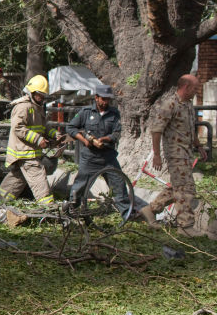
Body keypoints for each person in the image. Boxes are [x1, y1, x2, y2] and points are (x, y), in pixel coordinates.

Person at [139, 74, 209, 233]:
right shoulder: (170, 104)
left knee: (180, 187)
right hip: (175, 154)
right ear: (186, 87)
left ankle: (150, 210)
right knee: (187, 190)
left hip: (186, 153)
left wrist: (199, 146)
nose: (196, 91)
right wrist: (157, 155)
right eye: (195, 88)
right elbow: (156, 130)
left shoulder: (188, 105)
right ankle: (185, 226)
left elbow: (191, 130)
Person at [0, 74, 62, 206]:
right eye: (40, 95)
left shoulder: (37, 106)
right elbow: (18, 128)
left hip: (29, 153)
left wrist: (55, 134)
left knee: (16, 180)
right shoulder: (23, 107)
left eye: (43, 95)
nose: (42, 98)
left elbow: (44, 126)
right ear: (32, 92)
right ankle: (48, 209)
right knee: (39, 181)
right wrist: (38, 140)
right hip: (25, 153)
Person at [66, 85, 131, 215]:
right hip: (90, 157)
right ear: (96, 98)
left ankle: (127, 214)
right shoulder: (86, 112)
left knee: (119, 184)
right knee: (80, 186)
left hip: (108, 157)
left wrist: (105, 139)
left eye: (108, 99)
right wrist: (84, 140)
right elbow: (71, 128)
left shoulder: (114, 113)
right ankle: (71, 211)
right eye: (103, 99)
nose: (105, 102)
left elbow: (117, 133)